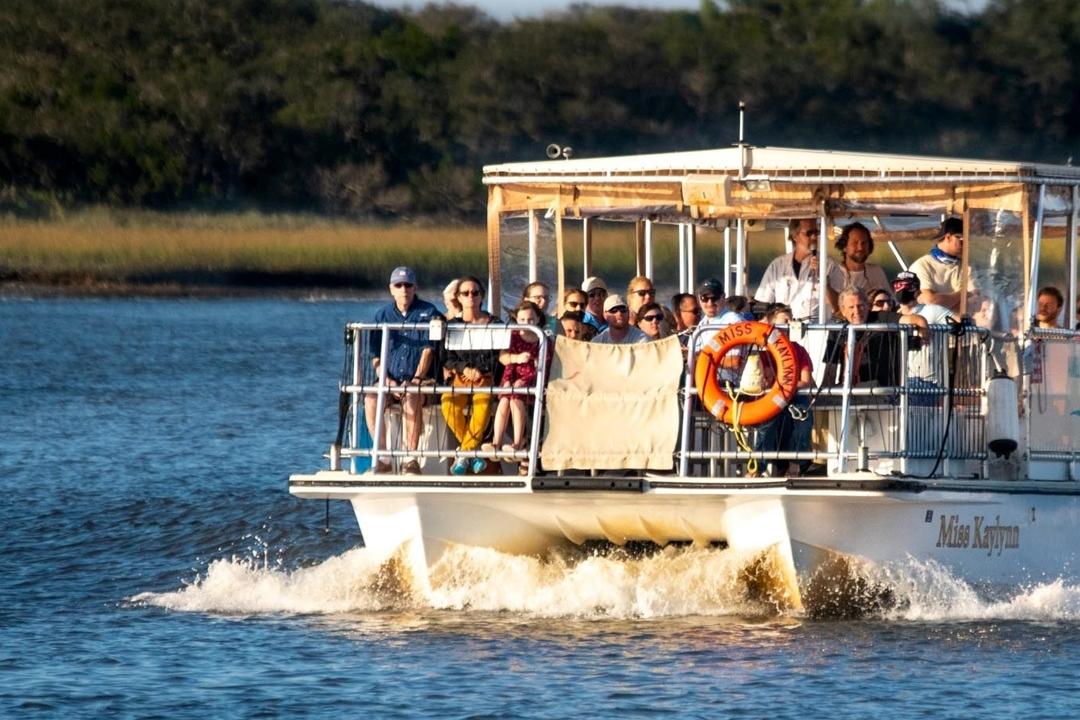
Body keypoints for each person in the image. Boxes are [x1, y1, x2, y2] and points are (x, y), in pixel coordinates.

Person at [366, 266, 440, 474]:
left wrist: (416, 378)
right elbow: (375, 356)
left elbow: (429, 350)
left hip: (421, 380)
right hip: (390, 377)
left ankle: (410, 458)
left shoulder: (429, 312)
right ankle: (383, 457)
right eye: (398, 285)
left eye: (408, 285)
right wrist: (386, 380)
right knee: (371, 399)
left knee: (411, 395)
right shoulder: (382, 315)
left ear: (415, 287)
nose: (404, 289)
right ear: (391, 289)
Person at [440, 276, 498, 476]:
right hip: (461, 378)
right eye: (465, 293)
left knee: (482, 405)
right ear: (458, 297)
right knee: (448, 403)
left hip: (485, 377)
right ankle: (472, 452)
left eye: (475, 293)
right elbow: (446, 358)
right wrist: (464, 369)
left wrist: (480, 371)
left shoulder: (494, 323)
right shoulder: (452, 325)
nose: (470, 297)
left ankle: (464, 453)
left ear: (482, 296)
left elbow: (499, 355)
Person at [752, 304, 815, 477]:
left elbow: (805, 381)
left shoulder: (798, 350)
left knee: (802, 415)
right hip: (770, 398)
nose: (789, 325)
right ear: (772, 326)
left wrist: (784, 387)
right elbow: (760, 383)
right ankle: (758, 467)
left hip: (795, 397)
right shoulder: (763, 353)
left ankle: (795, 464)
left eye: (791, 321)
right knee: (767, 423)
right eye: (785, 321)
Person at [485, 301, 547, 472]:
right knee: (505, 399)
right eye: (522, 320)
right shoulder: (512, 336)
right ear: (516, 319)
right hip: (511, 377)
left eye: (531, 319)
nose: (527, 323)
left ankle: (518, 443)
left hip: (532, 380)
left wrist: (524, 380)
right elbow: (503, 358)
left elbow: (543, 365)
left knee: (515, 398)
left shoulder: (543, 339)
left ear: (538, 319)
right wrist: (516, 359)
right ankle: (496, 443)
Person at [754, 218, 838, 320]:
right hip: (782, 327)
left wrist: (823, 280)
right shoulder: (777, 265)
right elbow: (764, 303)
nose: (814, 237)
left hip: (816, 327)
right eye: (809, 233)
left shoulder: (829, 264)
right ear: (795, 236)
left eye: (816, 233)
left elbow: (838, 307)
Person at [908, 217, 978, 313]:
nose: (966, 244)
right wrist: (962, 294)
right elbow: (931, 301)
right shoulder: (922, 265)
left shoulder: (967, 266)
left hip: (958, 318)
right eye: (962, 239)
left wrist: (942, 299)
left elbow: (975, 298)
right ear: (948, 237)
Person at [828, 222, 891, 298]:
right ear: (844, 247)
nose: (860, 247)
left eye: (864, 243)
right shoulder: (834, 273)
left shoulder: (876, 272)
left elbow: (891, 300)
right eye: (855, 243)